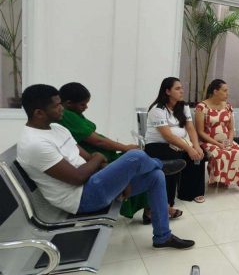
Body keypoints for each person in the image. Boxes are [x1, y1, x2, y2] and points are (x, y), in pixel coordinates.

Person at [17, 84, 195, 249]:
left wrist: (119, 179)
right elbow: (77, 177)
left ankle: (163, 237)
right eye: (56, 106)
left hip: (93, 184)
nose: (62, 108)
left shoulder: (57, 129)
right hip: (81, 198)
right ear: (39, 113)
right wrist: (97, 159)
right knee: (135, 156)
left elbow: (89, 158)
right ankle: (159, 164)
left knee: (156, 177)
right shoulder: (35, 143)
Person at [57, 82, 149, 219]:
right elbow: (97, 141)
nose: (86, 107)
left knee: (151, 172)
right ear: (68, 103)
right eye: (83, 104)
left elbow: (96, 137)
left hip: (101, 158)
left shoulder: (74, 113)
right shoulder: (66, 115)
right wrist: (125, 147)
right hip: (98, 162)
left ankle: (153, 209)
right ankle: (157, 165)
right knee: (140, 161)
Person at [145, 77, 206, 223]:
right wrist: (188, 148)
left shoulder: (183, 106)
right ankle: (165, 206)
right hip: (157, 146)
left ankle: (188, 193)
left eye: (182, 88)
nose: (182, 91)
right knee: (175, 160)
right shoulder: (157, 109)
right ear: (167, 91)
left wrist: (196, 146)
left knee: (200, 155)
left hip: (179, 143)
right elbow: (167, 136)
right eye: (177, 88)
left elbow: (190, 127)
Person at [195, 79, 239, 188]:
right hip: (208, 141)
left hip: (226, 140)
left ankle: (226, 180)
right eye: (225, 90)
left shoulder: (227, 106)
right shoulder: (202, 107)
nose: (227, 93)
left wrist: (230, 141)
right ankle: (216, 180)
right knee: (219, 154)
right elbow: (200, 132)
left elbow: (231, 128)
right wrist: (217, 144)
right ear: (215, 91)